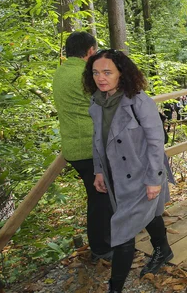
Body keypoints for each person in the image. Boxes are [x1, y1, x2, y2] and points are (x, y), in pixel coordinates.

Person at [84, 49, 173, 293]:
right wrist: (99, 171)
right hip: (116, 176)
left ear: (121, 73)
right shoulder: (97, 102)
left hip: (143, 174)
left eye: (107, 72)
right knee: (150, 213)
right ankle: (163, 250)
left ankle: (115, 288)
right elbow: (98, 140)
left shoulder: (139, 101)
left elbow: (156, 142)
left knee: (123, 233)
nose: (100, 77)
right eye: (95, 72)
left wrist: (154, 179)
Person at [52, 32, 113, 261]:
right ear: (90, 51)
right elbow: (108, 101)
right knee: (100, 198)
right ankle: (102, 247)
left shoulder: (60, 72)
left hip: (73, 147)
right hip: (92, 147)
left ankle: (107, 240)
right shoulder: (87, 74)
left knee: (99, 196)